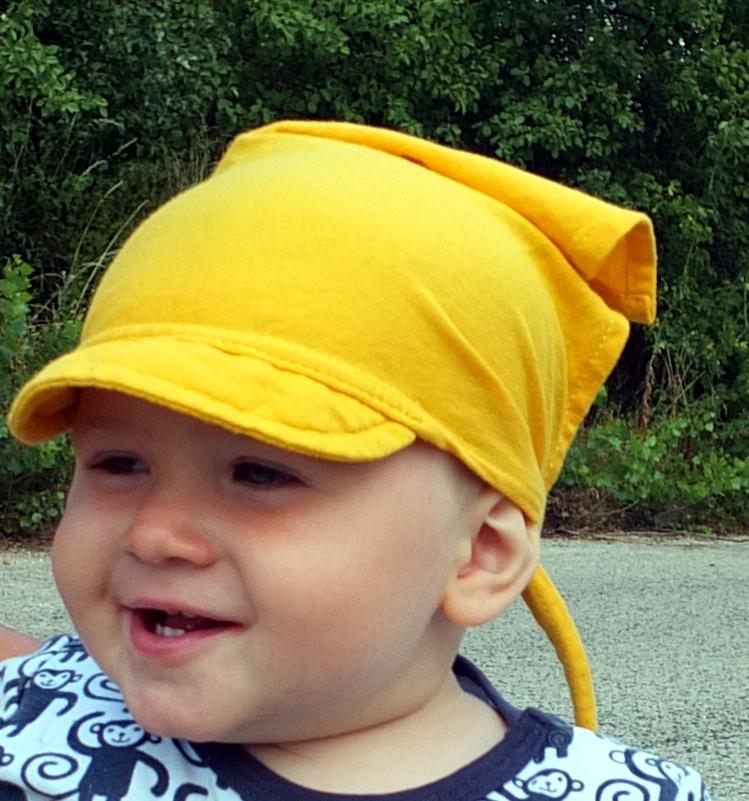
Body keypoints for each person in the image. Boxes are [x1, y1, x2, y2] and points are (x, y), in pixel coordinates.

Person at [0, 120, 710, 799]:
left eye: (259, 473)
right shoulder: (36, 706)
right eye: (119, 463)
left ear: (479, 554)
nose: (154, 534)